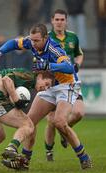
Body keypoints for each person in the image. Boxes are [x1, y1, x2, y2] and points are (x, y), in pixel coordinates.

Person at [0, 23, 92, 170]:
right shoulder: (31, 41)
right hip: (50, 85)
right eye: (32, 40)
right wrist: (1, 51)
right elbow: (14, 43)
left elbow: (69, 68)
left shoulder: (54, 48)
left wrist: (50, 66)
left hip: (66, 85)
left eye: (37, 40)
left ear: (45, 38)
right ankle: (24, 162)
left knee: (59, 122)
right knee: (29, 122)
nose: (33, 43)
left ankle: (84, 158)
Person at [44, 9, 85, 161]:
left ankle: (63, 131)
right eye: (57, 19)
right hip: (54, 84)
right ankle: (49, 152)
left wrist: (77, 64)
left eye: (62, 19)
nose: (60, 22)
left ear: (66, 21)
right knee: (51, 120)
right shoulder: (46, 37)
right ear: (52, 21)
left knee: (79, 113)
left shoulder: (73, 37)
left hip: (71, 82)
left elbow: (79, 54)